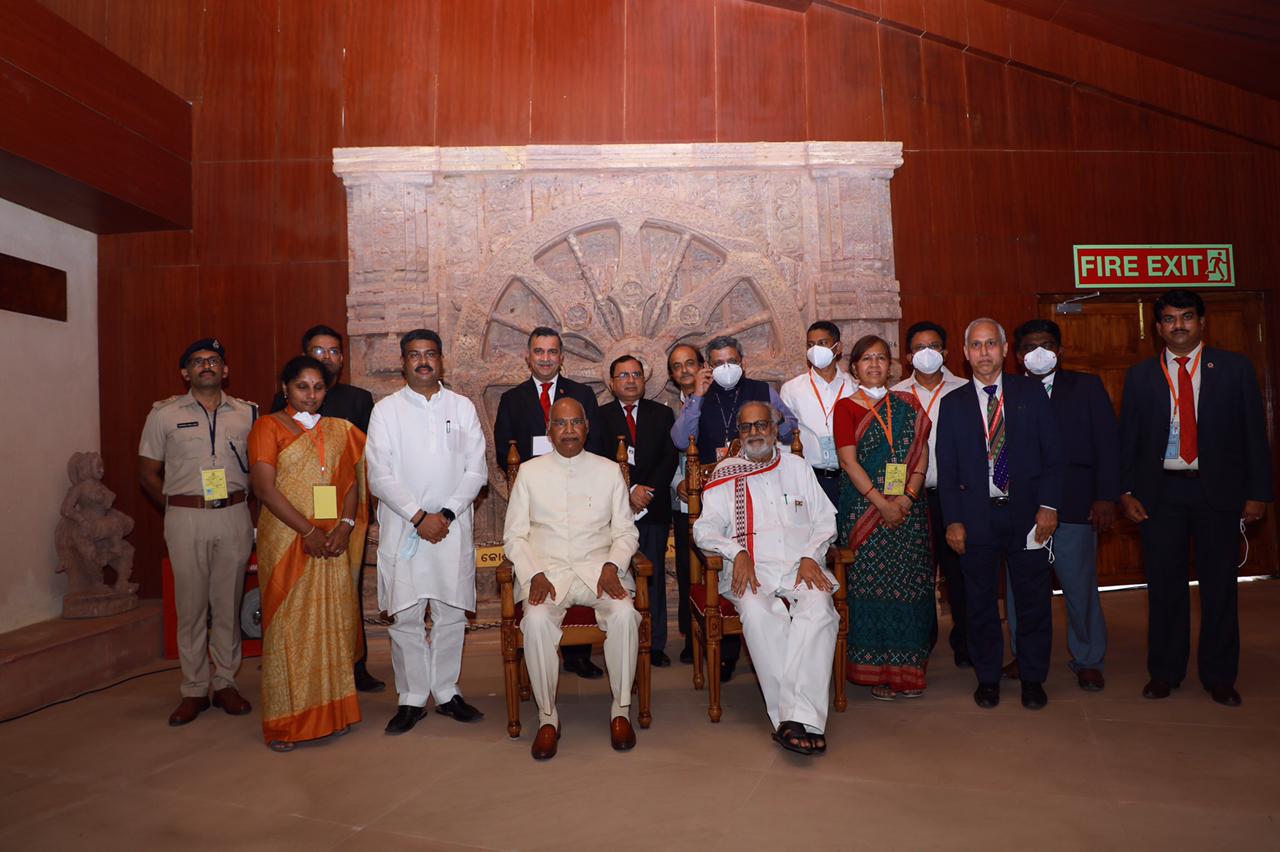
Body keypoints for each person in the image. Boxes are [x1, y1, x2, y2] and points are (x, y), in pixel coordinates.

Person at [1119, 290, 1272, 707]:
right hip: (1160, 494)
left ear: (1203, 323)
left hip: (1217, 493)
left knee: (1220, 587)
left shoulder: (1235, 369)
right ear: (1158, 328)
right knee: (1164, 588)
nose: (1179, 325)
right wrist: (1126, 491)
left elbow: (1254, 437)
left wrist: (1258, 493)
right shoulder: (1140, 376)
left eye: (1187, 317)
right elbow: (1127, 442)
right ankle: (1165, 672)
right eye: (1169, 319)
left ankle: (1220, 676)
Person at [694, 401, 838, 756]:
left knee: (819, 608)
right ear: (739, 435)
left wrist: (810, 556)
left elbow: (825, 520)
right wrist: (736, 551)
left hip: (798, 565)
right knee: (761, 615)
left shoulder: (797, 467)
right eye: (747, 428)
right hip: (751, 570)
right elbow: (704, 528)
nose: (755, 433)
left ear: (776, 429)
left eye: (762, 425)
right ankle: (798, 718)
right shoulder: (726, 474)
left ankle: (794, 718)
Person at [936, 318, 1064, 711]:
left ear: (1006, 349)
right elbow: (948, 467)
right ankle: (988, 677)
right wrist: (953, 520)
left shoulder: (1030, 393)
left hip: (1029, 516)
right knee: (978, 603)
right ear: (965, 352)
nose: (984, 352)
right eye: (976, 345)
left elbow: (1053, 456)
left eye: (991, 343)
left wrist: (1049, 506)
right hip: (977, 518)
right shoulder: (952, 404)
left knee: (1032, 601)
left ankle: (1032, 678)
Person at [505, 397, 641, 760]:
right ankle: (548, 718)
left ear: (587, 427)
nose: (568, 430)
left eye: (575, 423)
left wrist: (613, 565)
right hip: (546, 575)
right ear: (549, 431)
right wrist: (532, 573)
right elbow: (514, 536)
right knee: (534, 621)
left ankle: (621, 711)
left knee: (626, 615)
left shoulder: (609, 471)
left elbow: (626, 533)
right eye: (560, 424)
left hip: (599, 572)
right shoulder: (530, 473)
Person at [366, 329, 488, 734]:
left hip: (452, 527)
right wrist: (420, 517)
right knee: (407, 614)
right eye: (414, 355)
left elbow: (477, 470)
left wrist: (447, 514)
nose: (423, 361)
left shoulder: (462, 406)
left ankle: (448, 691)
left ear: (441, 360)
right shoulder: (386, 411)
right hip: (405, 527)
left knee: (452, 612)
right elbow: (379, 476)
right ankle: (412, 697)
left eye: (430, 354)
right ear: (402, 363)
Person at [248, 356, 367, 751]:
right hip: (288, 541)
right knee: (288, 628)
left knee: (330, 622)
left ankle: (331, 712)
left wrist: (345, 527)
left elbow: (352, 481)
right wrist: (309, 530)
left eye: (318, 388)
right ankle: (286, 722)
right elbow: (265, 489)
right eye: (303, 387)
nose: (311, 395)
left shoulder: (339, 431)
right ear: (285, 388)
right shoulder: (267, 428)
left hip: (332, 541)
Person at [138, 338, 257, 726]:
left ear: (225, 370)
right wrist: (175, 506)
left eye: (214, 361)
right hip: (186, 517)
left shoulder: (248, 413)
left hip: (234, 515)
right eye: (197, 361)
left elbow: (260, 472)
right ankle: (193, 688)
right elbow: (147, 472)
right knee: (190, 608)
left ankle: (224, 683)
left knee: (227, 604)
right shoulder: (164, 414)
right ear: (185, 372)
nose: (206, 366)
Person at [670, 334, 798, 681]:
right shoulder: (700, 394)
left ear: (742, 361)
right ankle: (725, 657)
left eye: (732, 361)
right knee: (728, 564)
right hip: (721, 491)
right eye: (719, 362)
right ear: (709, 365)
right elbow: (681, 440)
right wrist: (696, 396)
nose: (727, 368)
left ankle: (775, 647)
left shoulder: (762, 389)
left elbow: (790, 430)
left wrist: (774, 424)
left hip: (763, 487)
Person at [269, 324, 382, 693]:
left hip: (346, 513)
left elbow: (364, 463)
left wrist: (350, 518)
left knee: (346, 589)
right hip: (298, 516)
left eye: (335, 352)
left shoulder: (359, 400)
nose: (328, 358)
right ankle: (304, 667)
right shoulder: (280, 409)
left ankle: (354, 664)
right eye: (319, 351)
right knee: (301, 594)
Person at [1009, 319, 1118, 691]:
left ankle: (1088, 657)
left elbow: (1107, 443)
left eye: (1048, 345)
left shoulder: (1085, 387)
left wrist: (1105, 496)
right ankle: (1024, 655)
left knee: (1078, 585)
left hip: (1076, 503)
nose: (1040, 352)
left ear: (1061, 350)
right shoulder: (1008, 391)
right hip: (1021, 508)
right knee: (1020, 588)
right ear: (1018, 353)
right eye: (1030, 346)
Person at [493, 326, 603, 680]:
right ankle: (539, 653)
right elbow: (502, 449)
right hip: (537, 495)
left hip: (580, 492)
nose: (545, 358)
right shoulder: (512, 399)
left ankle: (578, 656)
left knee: (581, 557)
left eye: (551, 352)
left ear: (561, 356)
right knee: (544, 559)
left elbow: (595, 442)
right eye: (538, 352)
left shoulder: (582, 394)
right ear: (528, 356)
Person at [833, 335, 935, 700]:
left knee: (908, 588)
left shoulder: (907, 403)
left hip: (909, 513)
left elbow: (921, 451)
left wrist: (907, 497)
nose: (875, 364)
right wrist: (881, 503)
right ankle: (877, 672)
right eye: (867, 359)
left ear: (892, 365)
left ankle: (910, 672)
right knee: (868, 590)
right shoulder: (846, 408)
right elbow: (848, 461)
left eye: (882, 358)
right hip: (865, 514)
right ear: (855, 366)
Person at [589, 355, 679, 667]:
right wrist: (627, 492)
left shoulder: (663, 414)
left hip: (652, 509)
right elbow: (596, 461)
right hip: (612, 511)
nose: (630, 380)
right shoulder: (598, 417)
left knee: (651, 576)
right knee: (615, 573)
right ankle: (616, 639)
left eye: (636, 374)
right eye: (623, 375)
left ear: (644, 380)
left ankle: (654, 644)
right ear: (611, 383)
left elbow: (669, 459)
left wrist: (645, 491)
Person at [890, 321, 970, 666]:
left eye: (934, 346)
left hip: (957, 499)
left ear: (946, 352)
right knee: (916, 576)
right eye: (920, 348)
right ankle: (919, 644)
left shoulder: (966, 389)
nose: (927, 353)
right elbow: (893, 452)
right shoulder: (896, 394)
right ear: (908, 356)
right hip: (912, 499)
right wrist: (895, 497)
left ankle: (966, 642)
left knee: (962, 577)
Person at [779, 321, 857, 508]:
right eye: (810, 344)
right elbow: (784, 440)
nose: (815, 349)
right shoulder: (792, 389)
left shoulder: (854, 387)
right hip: (810, 478)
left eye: (822, 343)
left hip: (850, 478)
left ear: (837, 348)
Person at [665, 343, 704, 664]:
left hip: (717, 502)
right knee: (687, 570)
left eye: (690, 363)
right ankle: (692, 642)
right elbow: (671, 455)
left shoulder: (715, 402)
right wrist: (676, 483)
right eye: (678, 367)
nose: (685, 371)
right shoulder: (671, 407)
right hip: (684, 504)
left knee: (713, 569)